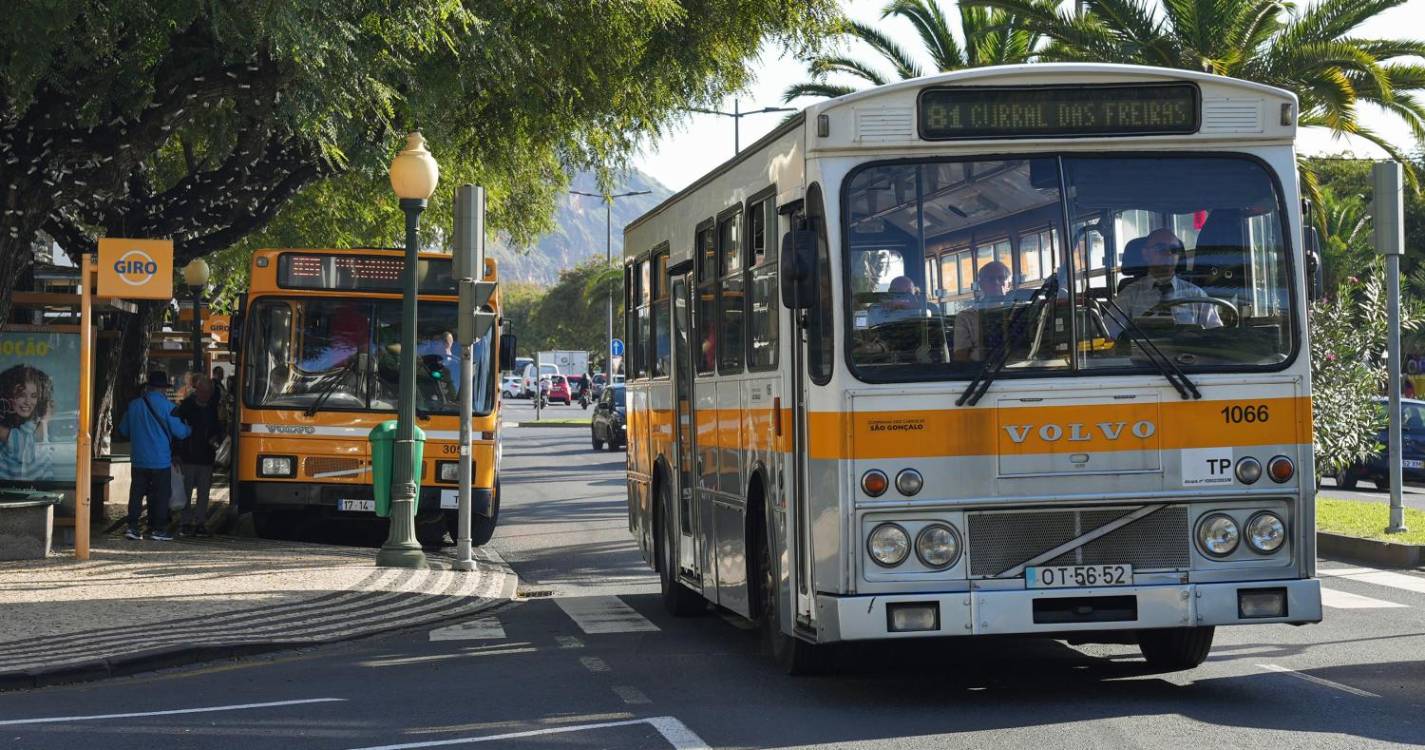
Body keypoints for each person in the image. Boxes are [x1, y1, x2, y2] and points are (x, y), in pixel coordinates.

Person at [116, 371, 191, 541]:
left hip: (139, 459)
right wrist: (190, 429)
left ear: (148, 387)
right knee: (160, 495)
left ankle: (133, 527)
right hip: (160, 460)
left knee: (136, 493)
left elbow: (123, 430)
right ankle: (158, 529)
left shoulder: (134, 405)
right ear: (163, 389)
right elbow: (180, 432)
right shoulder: (169, 407)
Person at [1109, 228, 1222, 337]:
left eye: (1174, 250)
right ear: (1145, 254)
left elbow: (1216, 337)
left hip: (1189, 355)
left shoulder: (1197, 296)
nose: (1168, 254)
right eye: (1160, 248)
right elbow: (1111, 336)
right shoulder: (1128, 296)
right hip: (1144, 355)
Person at [175, 374, 224, 537]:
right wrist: (177, 452)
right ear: (197, 391)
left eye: (208, 392)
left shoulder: (212, 407)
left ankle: (200, 522)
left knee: (204, 492)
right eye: (203, 392)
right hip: (188, 456)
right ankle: (185, 522)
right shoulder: (186, 406)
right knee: (186, 491)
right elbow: (177, 430)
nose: (206, 395)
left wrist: (217, 439)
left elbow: (218, 427)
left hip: (206, 456)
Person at [0, 365, 55, 481]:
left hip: (40, 492)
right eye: (21, 395)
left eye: (33, 396)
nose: (27, 402)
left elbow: (23, 448)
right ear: (10, 397)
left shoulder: (35, 425)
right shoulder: (10, 423)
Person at [953, 261, 1013, 362]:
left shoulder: (1018, 313)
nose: (996, 283)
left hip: (1018, 371)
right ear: (981, 284)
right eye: (991, 279)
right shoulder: (966, 317)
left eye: (1001, 278)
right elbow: (961, 356)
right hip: (980, 372)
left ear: (1009, 285)